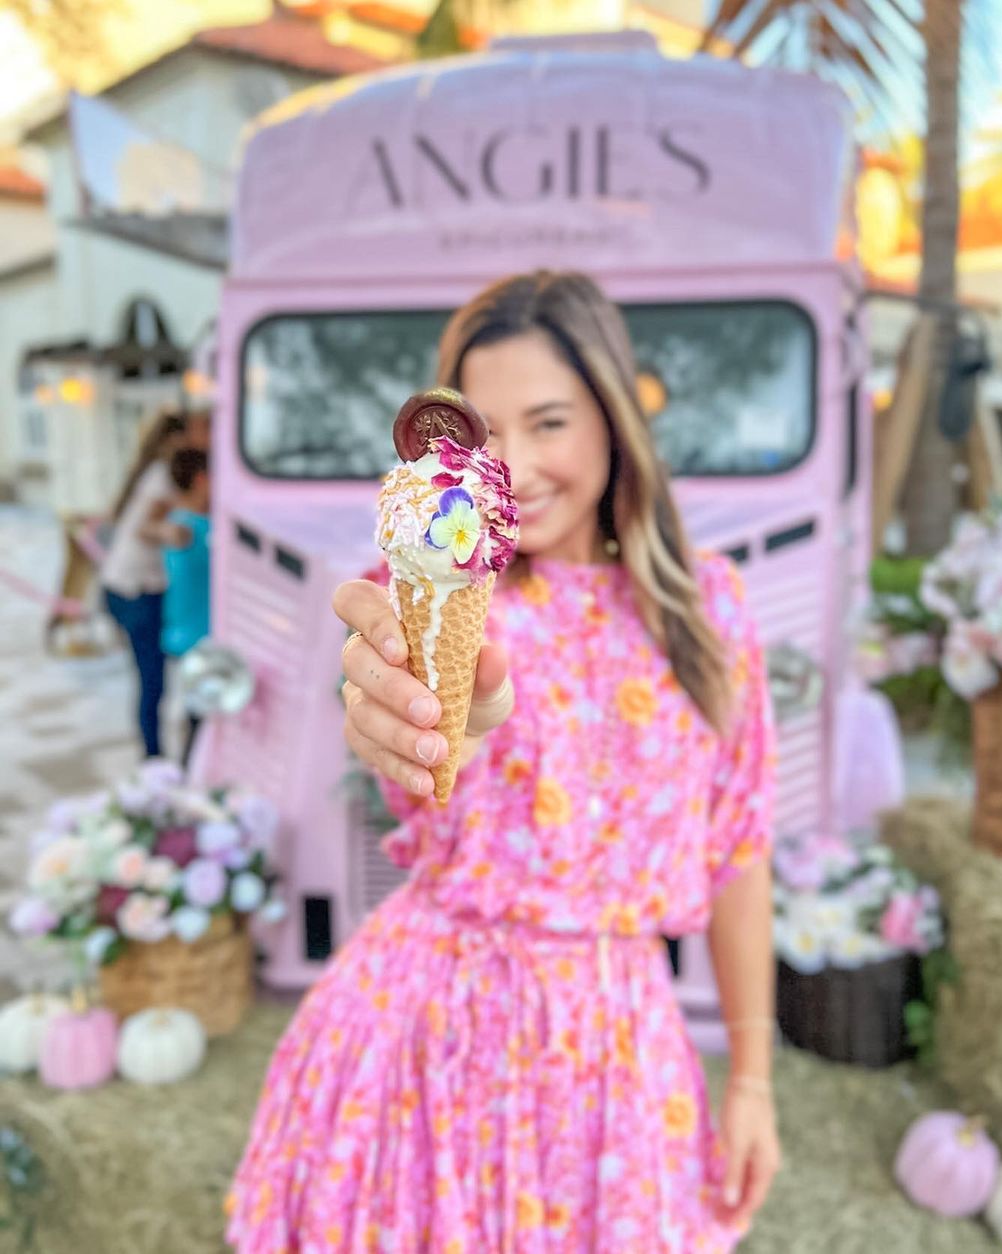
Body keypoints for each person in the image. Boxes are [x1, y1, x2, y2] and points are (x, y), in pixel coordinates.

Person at [227, 272, 781, 1252]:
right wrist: (423, 721)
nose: (513, 466)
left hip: (618, 1057)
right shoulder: (440, 596)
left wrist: (751, 1081)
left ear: (615, 423)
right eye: (482, 436)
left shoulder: (710, 613)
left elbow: (739, 851)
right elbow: (414, 739)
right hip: (424, 1041)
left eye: (550, 422)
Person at [101, 410, 188, 758]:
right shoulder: (164, 476)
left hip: (126, 585)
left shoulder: (154, 471)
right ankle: (153, 760)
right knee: (153, 681)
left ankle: (157, 756)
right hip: (137, 589)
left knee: (152, 678)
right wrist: (172, 532)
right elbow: (146, 527)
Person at [161, 447, 211, 766]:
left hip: (192, 634)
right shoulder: (185, 526)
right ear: (201, 480)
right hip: (194, 638)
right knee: (199, 723)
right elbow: (171, 535)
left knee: (203, 719)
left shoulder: (191, 522)